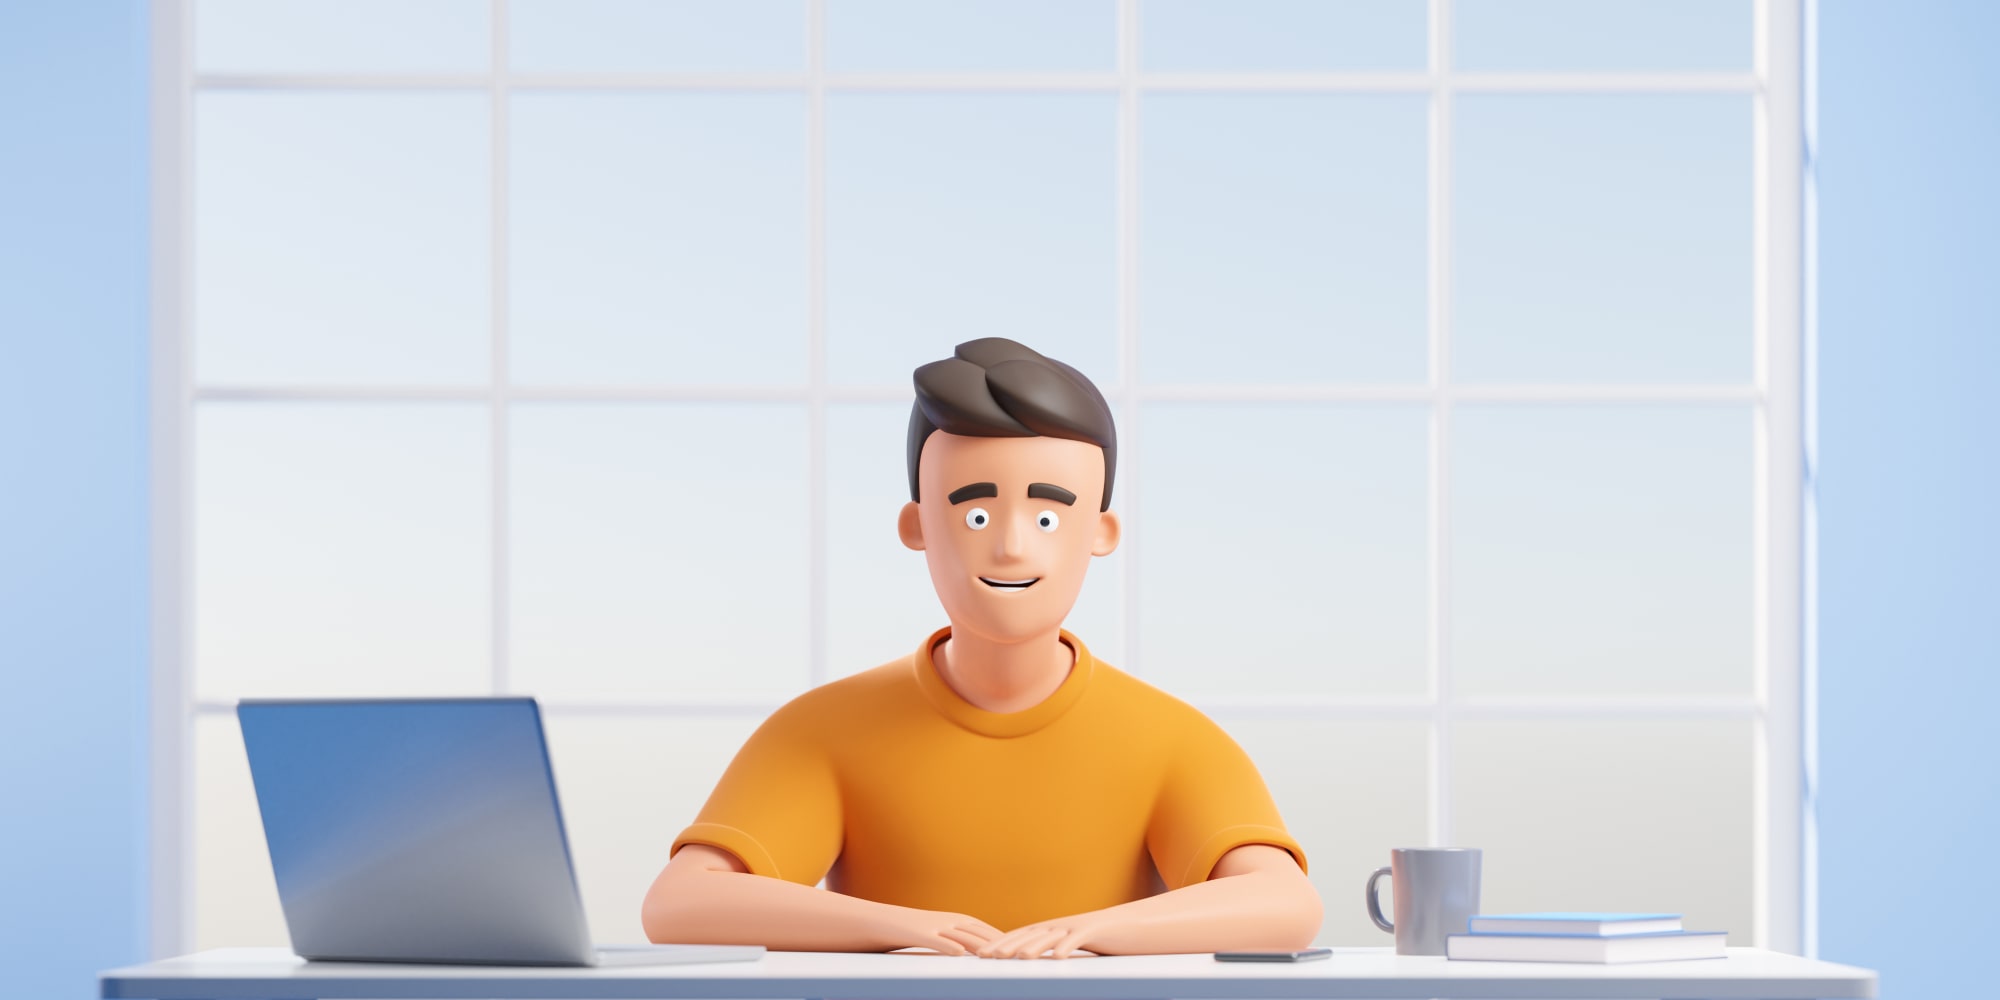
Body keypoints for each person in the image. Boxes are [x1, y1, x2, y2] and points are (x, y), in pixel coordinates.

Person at [641, 338, 1320, 958]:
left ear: (1101, 531)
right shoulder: (820, 732)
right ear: (917, 526)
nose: (1011, 545)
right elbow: (678, 903)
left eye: (1048, 514)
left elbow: (1286, 904)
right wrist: (894, 925)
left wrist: (1099, 930)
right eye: (975, 511)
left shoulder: (1174, 740)